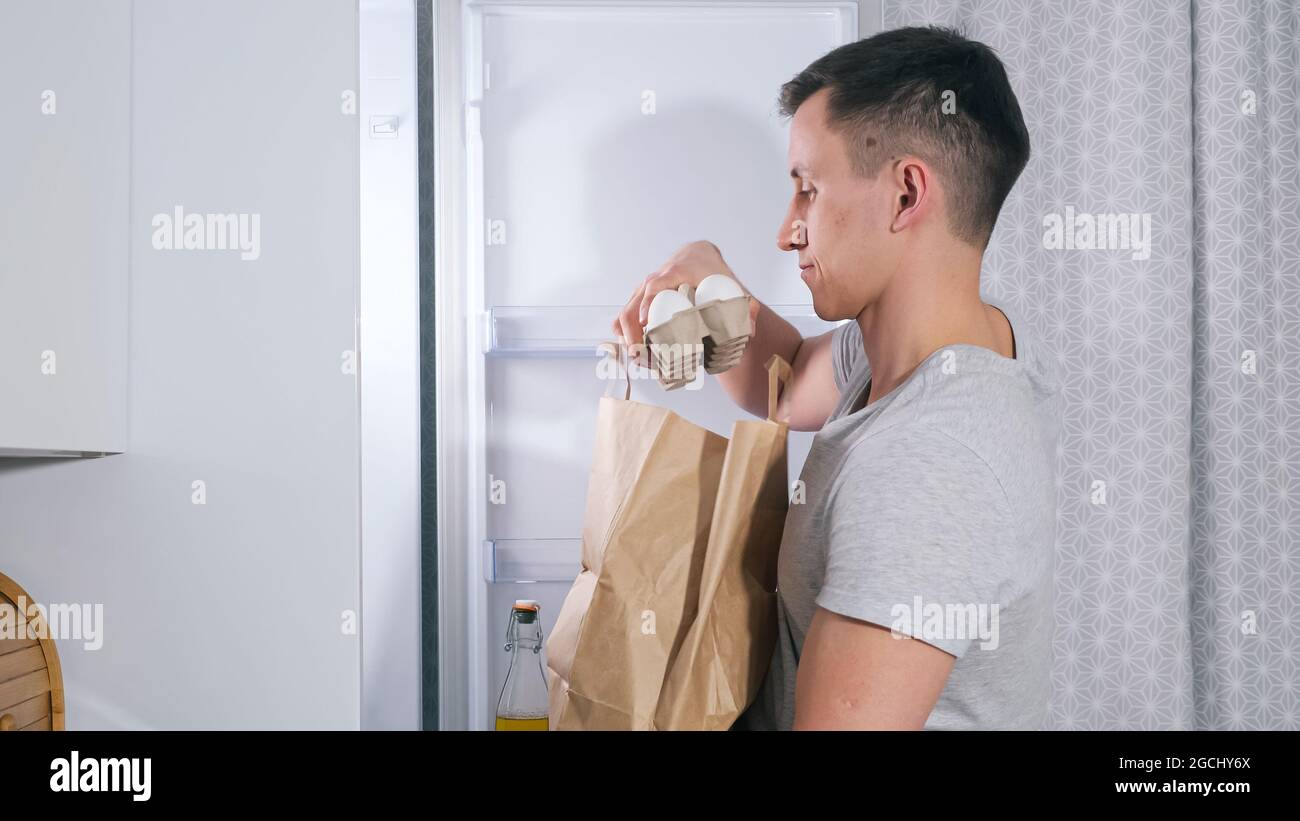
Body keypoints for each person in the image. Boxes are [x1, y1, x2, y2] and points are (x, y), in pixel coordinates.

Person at [612, 26, 1062, 729]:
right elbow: (788, 389)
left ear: (907, 194)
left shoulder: (930, 465)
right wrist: (705, 265)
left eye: (807, 190)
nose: (788, 231)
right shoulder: (926, 347)